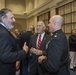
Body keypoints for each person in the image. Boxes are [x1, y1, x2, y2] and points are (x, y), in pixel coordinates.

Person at [0, 8, 28, 75]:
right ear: (3, 19)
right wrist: (23, 52)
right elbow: (5, 56)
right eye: (11, 18)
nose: (14, 20)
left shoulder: (3, 30)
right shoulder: (3, 33)